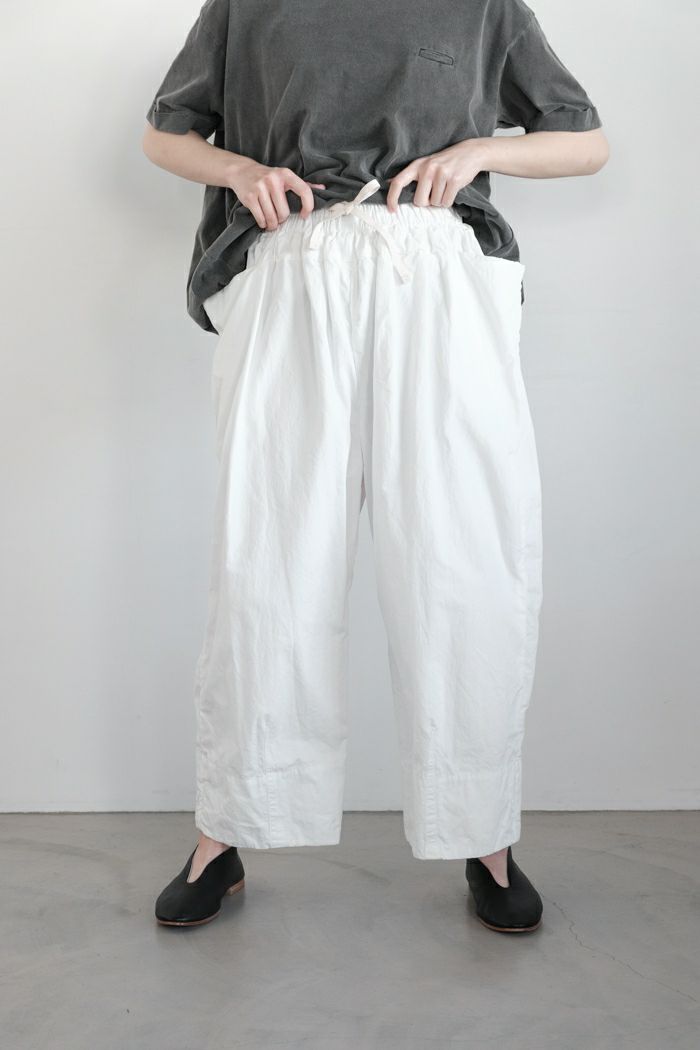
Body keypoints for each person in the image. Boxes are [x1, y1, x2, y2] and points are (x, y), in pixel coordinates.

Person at [142, 0, 609, 932]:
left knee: (463, 559)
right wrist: (241, 171)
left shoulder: (483, 5)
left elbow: (586, 142)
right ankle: (223, 834)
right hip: (293, 262)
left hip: (438, 273)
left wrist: (476, 154)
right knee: (268, 564)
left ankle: (483, 834)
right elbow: (165, 132)